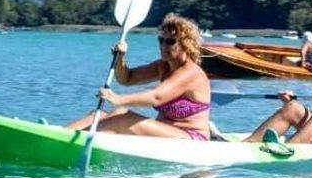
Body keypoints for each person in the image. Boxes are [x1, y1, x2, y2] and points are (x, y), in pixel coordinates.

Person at [65, 13, 212, 140]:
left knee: (123, 118)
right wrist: (120, 58)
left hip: (190, 139)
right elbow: (126, 78)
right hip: (164, 133)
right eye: (161, 40)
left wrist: (118, 99)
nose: (163, 46)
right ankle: (61, 134)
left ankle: (72, 142)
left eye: (170, 41)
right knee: (100, 114)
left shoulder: (190, 72)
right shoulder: (162, 66)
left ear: (186, 44)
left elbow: (157, 97)